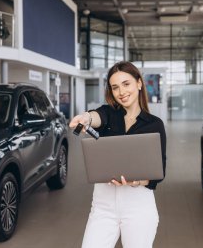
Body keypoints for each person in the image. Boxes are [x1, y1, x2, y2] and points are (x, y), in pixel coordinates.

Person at [69, 61, 167, 248]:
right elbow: (96, 117)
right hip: (103, 207)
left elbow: (159, 171)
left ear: (139, 83)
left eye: (126, 84)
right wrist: (86, 118)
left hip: (138, 207)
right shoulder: (109, 114)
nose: (121, 92)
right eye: (115, 87)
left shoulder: (154, 124)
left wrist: (136, 181)